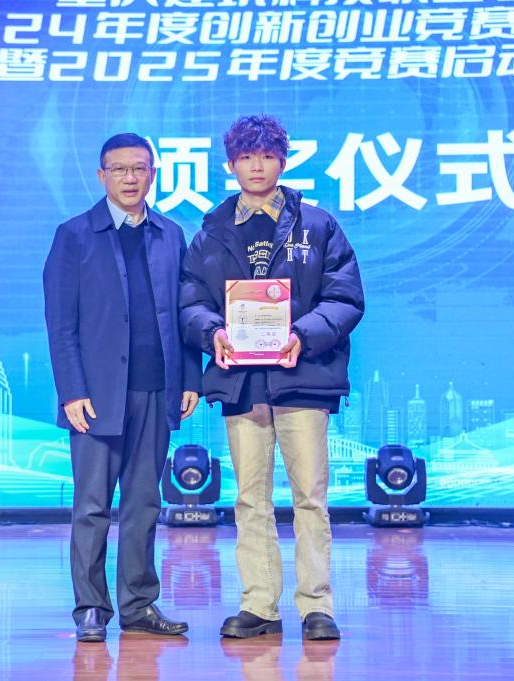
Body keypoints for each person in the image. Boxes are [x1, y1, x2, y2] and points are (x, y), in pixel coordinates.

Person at [180, 115, 364, 640]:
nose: (256, 166)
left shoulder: (318, 225)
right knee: (250, 498)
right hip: (242, 381)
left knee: (310, 496)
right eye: (246, 157)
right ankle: (259, 604)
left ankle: (316, 606)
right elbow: (190, 299)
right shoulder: (211, 231)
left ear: (283, 161)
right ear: (230, 165)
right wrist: (213, 331)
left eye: (266, 156)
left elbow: (345, 297)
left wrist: (303, 335)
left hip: (302, 376)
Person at [44, 132, 201, 643]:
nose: (130, 178)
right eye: (119, 169)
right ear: (101, 176)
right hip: (96, 395)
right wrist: (72, 390)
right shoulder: (75, 235)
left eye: (139, 169)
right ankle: (91, 607)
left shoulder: (170, 235)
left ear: (153, 174)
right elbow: (60, 324)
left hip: (156, 389)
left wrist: (190, 378)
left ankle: (139, 604)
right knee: (92, 506)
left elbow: (186, 314)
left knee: (144, 503)